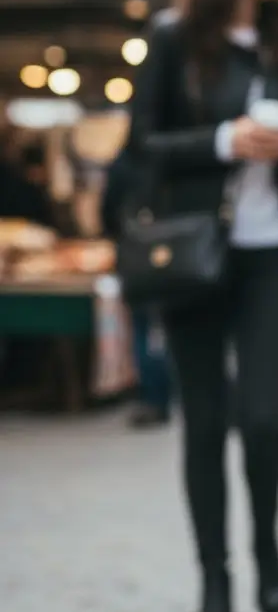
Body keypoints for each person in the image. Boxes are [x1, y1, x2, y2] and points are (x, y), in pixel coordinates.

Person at [129, 0, 278, 612]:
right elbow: (144, 144)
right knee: (204, 424)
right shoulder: (174, 39)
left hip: (273, 247)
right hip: (193, 253)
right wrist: (224, 138)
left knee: (260, 417)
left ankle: (267, 545)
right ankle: (215, 587)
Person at [102, 145, 173, 428]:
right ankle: (172, 390)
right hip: (177, 253)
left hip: (135, 254)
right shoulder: (170, 154)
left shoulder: (124, 163)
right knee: (169, 326)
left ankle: (154, 397)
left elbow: (107, 212)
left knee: (144, 328)